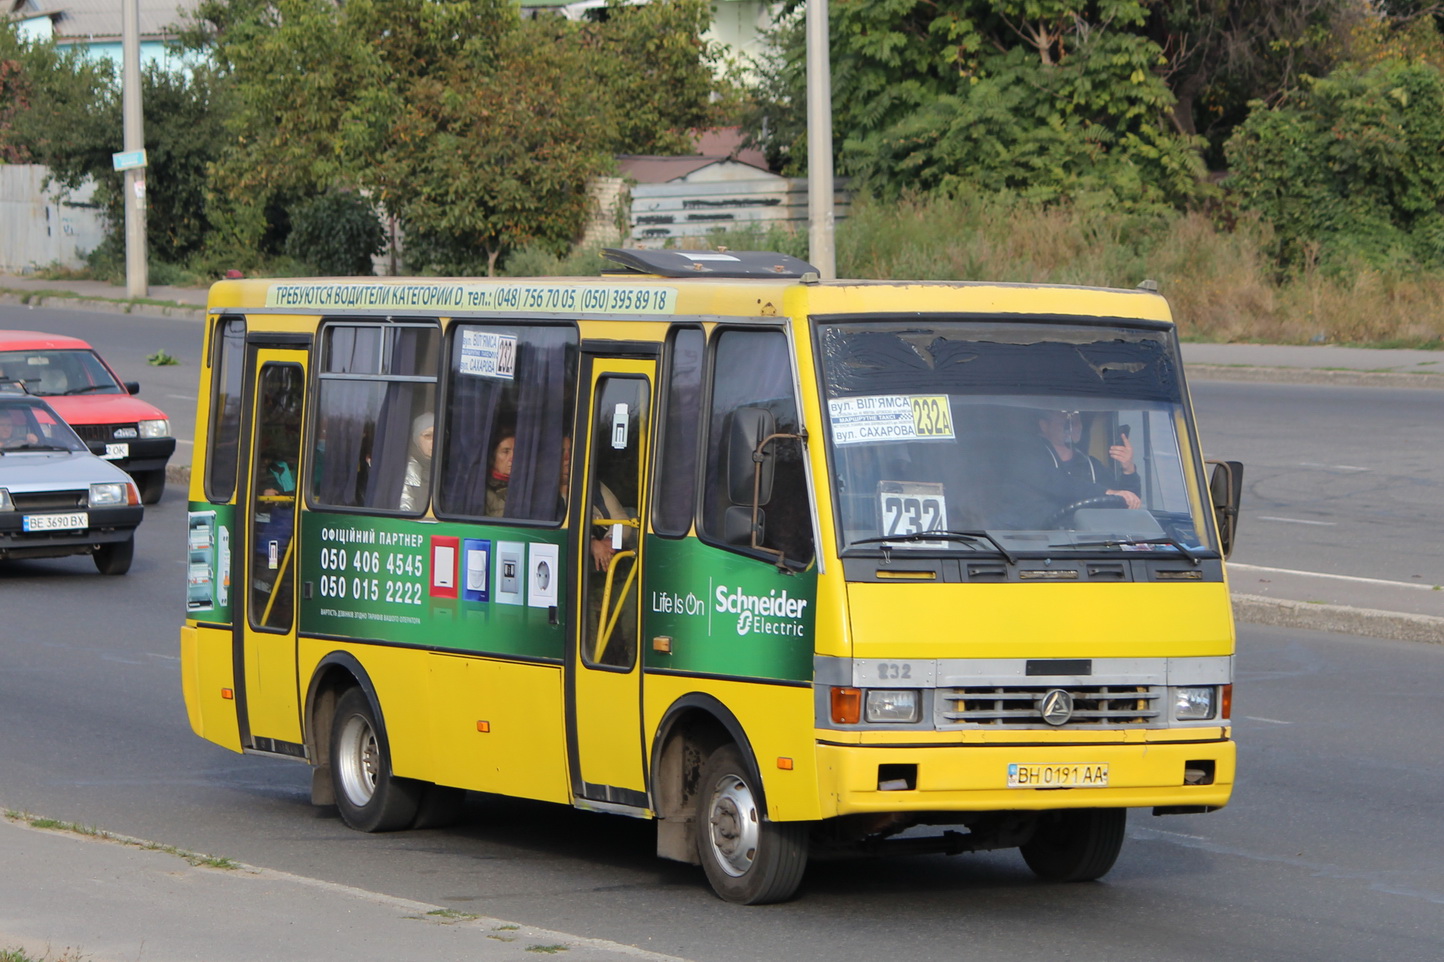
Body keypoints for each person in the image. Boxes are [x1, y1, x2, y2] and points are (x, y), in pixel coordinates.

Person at [1034, 409, 1141, 512]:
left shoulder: (1092, 466)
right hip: (1042, 530)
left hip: (1092, 530)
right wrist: (1107, 492)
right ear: (1044, 425)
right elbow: (1059, 483)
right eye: (1066, 422)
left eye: (1076, 421)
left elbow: (1128, 504)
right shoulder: (1031, 459)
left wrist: (1129, 469)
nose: (1072, 427)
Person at [399, 412, 434, 512]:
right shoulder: (405, 472)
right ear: (416, 439)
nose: (434, 441)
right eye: (428, 436)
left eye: (438, 435)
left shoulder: (449, 470)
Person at [483, 428, 515, 516]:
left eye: (516, 452)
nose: (512, 458)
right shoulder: (483, 492)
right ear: (493, 457)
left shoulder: (523, 488)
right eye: (505, 451)